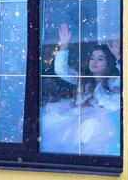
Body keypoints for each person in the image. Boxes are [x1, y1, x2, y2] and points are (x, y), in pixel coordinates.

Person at [40, 23, 121, 156]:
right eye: (92, 58)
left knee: (91, 127)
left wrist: (118, 57)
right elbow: (61, 70)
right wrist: (64, 45)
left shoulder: (113, 81)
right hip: (77, 119)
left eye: (100, 59)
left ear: (108, 63)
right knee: (48, 119)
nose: (94, 62)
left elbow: (126, 80)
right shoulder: (83, 79)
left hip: (99, 124)